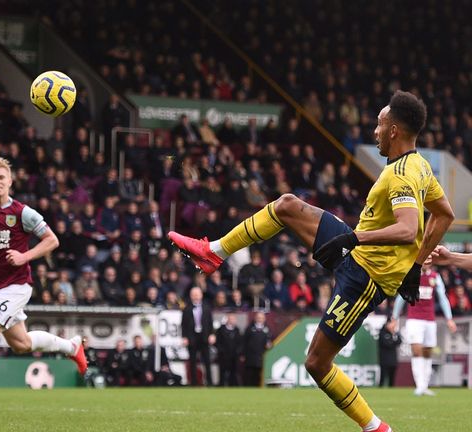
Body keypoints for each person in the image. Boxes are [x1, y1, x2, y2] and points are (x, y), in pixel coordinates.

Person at [169, 91, 454, 432]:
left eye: (379, 125)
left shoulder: (402, 175)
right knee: (287, 204)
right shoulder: (419, 166)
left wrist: (359, 239)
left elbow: (408, 229)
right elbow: (444, 214)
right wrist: (416, 265)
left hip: (366, 277)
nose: (374, 132)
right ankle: (214, 252)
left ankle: (377, 428)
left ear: (394, 130)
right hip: (358, 254)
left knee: (317, 364)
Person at [0, 157, 87, 414]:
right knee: (21, 344)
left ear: (10, 181)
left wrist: (25, 256)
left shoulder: (22, 212)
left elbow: (51, 240)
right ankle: (72, 346)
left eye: (2, 177)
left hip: (18, 285)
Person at [392, 266, 456, 395]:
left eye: (429, 259)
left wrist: (449, 318)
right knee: (416, 350)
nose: (427, 261)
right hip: (414, 319)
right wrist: (394, 317)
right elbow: (401, 297)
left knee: (427, 352)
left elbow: (442, 298)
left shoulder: (435, 276)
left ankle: (425, 385)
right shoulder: (411, 275)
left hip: (430, 320)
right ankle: (419, 385)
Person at [181, 286, 214, 386]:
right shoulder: (187, 309)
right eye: (193, 295)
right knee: (193, 362)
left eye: (197, 294)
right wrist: (184, 337)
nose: (195, 296)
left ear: (201, 295)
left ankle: (209, 382)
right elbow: (183, 324)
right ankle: (194, 382)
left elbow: (210, 323)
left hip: (204, 337)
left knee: (207, 361)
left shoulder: (207, 307)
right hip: (192, 338)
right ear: (191, 296)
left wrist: (212, 334)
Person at [243, 311, 272, 386]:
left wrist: (269, 345)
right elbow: (244, 342)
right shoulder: (249, 329)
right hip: (251, 357)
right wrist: (243, 354)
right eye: (258, 318)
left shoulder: (267, 329)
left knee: (259, 375)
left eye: (262, 318)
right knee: (250, 375)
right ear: (255, 318)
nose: (260, 319)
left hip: (262, 357)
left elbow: (270, 341)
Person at [215, 313, 241, 386]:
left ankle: (232, 385)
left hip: (234, 355)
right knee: (222, 371)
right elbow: (218, 342)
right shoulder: (221, 330)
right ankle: (222, 385)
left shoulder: (237, 330)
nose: (233, 320)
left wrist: (238, 351)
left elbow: (240, 342)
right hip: (223, 355)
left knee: (233, 372)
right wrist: (221, 351)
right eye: (231, 319)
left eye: (234, 319)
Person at [378, 318, 401, 387]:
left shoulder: (395, 333)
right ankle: (380, 388)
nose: (394, 326)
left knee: (392, 377)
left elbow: (399, 341)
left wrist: (394, 335)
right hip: (384, 359)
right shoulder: (382, 332)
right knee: (383, 376)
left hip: (393, 359)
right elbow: (387, 344)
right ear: (387, 324)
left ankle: (391, 387)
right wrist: (393, 342)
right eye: (392, 324)